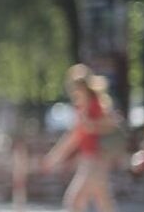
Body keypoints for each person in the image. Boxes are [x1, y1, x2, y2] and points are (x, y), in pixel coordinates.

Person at [42, 64, 117, 212]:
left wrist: (92, 125)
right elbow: (74, 136)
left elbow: (111, 123)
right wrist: (54, 157)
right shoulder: (83, 109)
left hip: (95, 160)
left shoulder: (95, 105)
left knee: (75, 200)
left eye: (75, 88)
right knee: (102, 201)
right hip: (89, 160)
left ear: (83, 88)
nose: (73, 92)